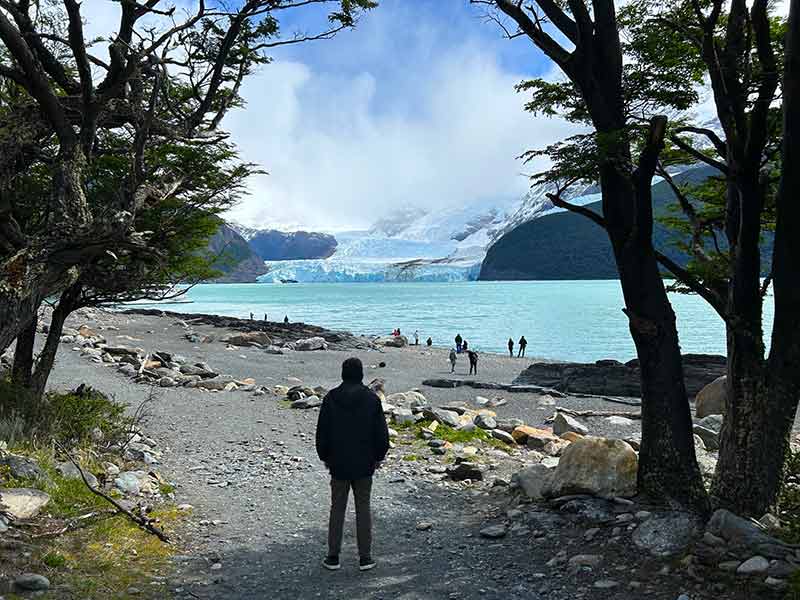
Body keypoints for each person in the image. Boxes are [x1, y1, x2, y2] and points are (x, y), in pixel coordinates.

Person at [316, 358, 389, 572]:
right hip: (365, 463)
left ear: (342, 374)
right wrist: (378, 457)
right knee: (363, 509)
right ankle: (365, 558)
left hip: (338, 463)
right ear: (361, 375)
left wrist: (325, 458)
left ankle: (333, 557)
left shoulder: (331, 398)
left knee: (337, 509)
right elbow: (381, 436)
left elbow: (322, 434)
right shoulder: (371, 400)